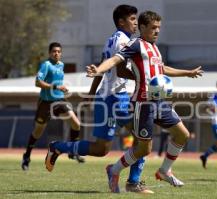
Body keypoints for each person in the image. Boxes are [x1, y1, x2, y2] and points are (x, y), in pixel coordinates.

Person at [85, 10, 203, 193]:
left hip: (160, 102)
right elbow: (115, 60)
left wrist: (187, 73)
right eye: (153, 28)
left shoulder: (155, 48)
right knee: (144, 149)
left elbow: (161, 69)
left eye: (159, 28)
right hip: (143, 104)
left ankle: (164, 171)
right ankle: (114, 170)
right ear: (142, 27)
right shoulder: (135, 45)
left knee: (183, 134)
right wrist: (98, 70)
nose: (157, 31)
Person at [43, 5, 154, 194]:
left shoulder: (113, 39)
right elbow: (118, 70)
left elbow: (101, 69)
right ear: (121, 21)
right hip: (117, 97)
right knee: (142, 138)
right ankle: (133, 182)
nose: (136, 23)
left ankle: (58, 147)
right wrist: (142, 77)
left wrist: (92, 94)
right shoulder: (123, 41)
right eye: (133, 19)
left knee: (101, 149)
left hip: (107, 97)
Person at [21, 42, 84, 171]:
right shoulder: (46, 65)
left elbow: (58, 82)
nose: (57, 53)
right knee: (37, 132)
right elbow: (37, 82)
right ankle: (26, 157)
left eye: (59, 51)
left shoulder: (61, 65)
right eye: (54, 51)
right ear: (50, 53)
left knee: (76, 124)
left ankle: (73, 151)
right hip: (46, 103)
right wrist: (55, 87)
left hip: (59, 100)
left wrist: (62, 90)